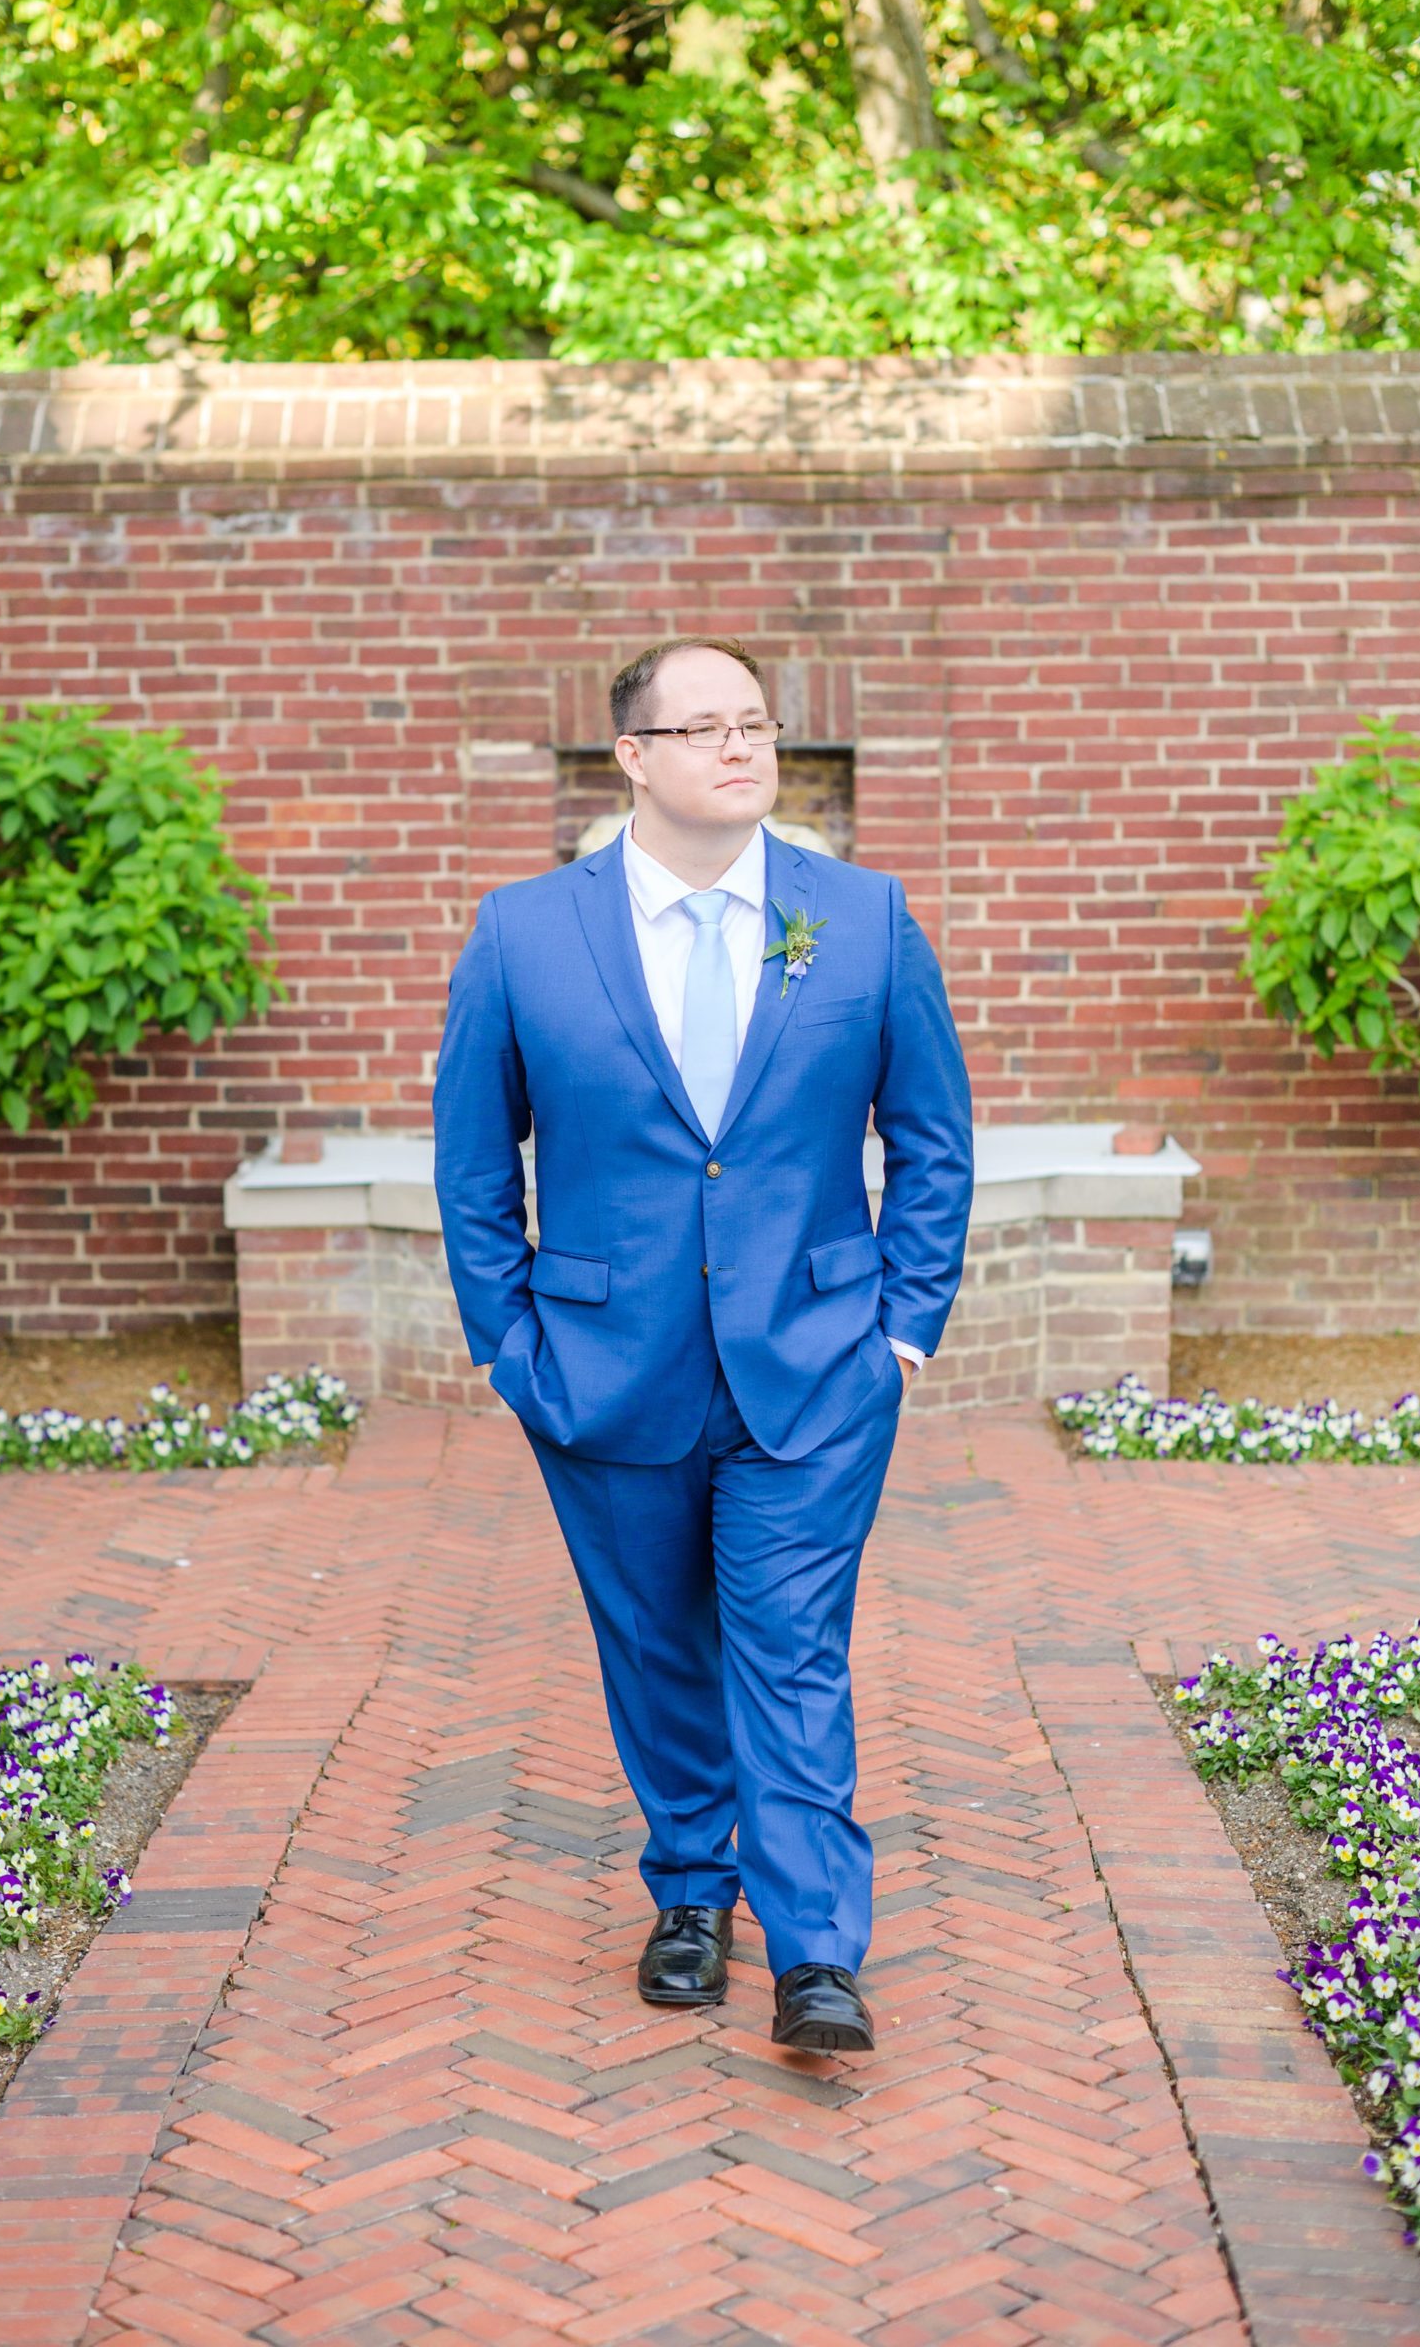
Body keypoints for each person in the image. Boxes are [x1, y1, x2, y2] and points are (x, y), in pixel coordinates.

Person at [432, 639, 972, 2052]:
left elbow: (931, 1138)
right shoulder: (523, 933)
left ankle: (815, 1951)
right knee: (659, 1646)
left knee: (791, 1649)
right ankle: (689, 1892)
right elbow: (476, 1165)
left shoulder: (861, 920)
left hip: (819, 1361)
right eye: (705, 728)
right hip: (604, 1368)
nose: (740, 749)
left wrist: (903, 1329)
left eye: (756, 725)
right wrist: (510, 1348)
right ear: (633, 758)